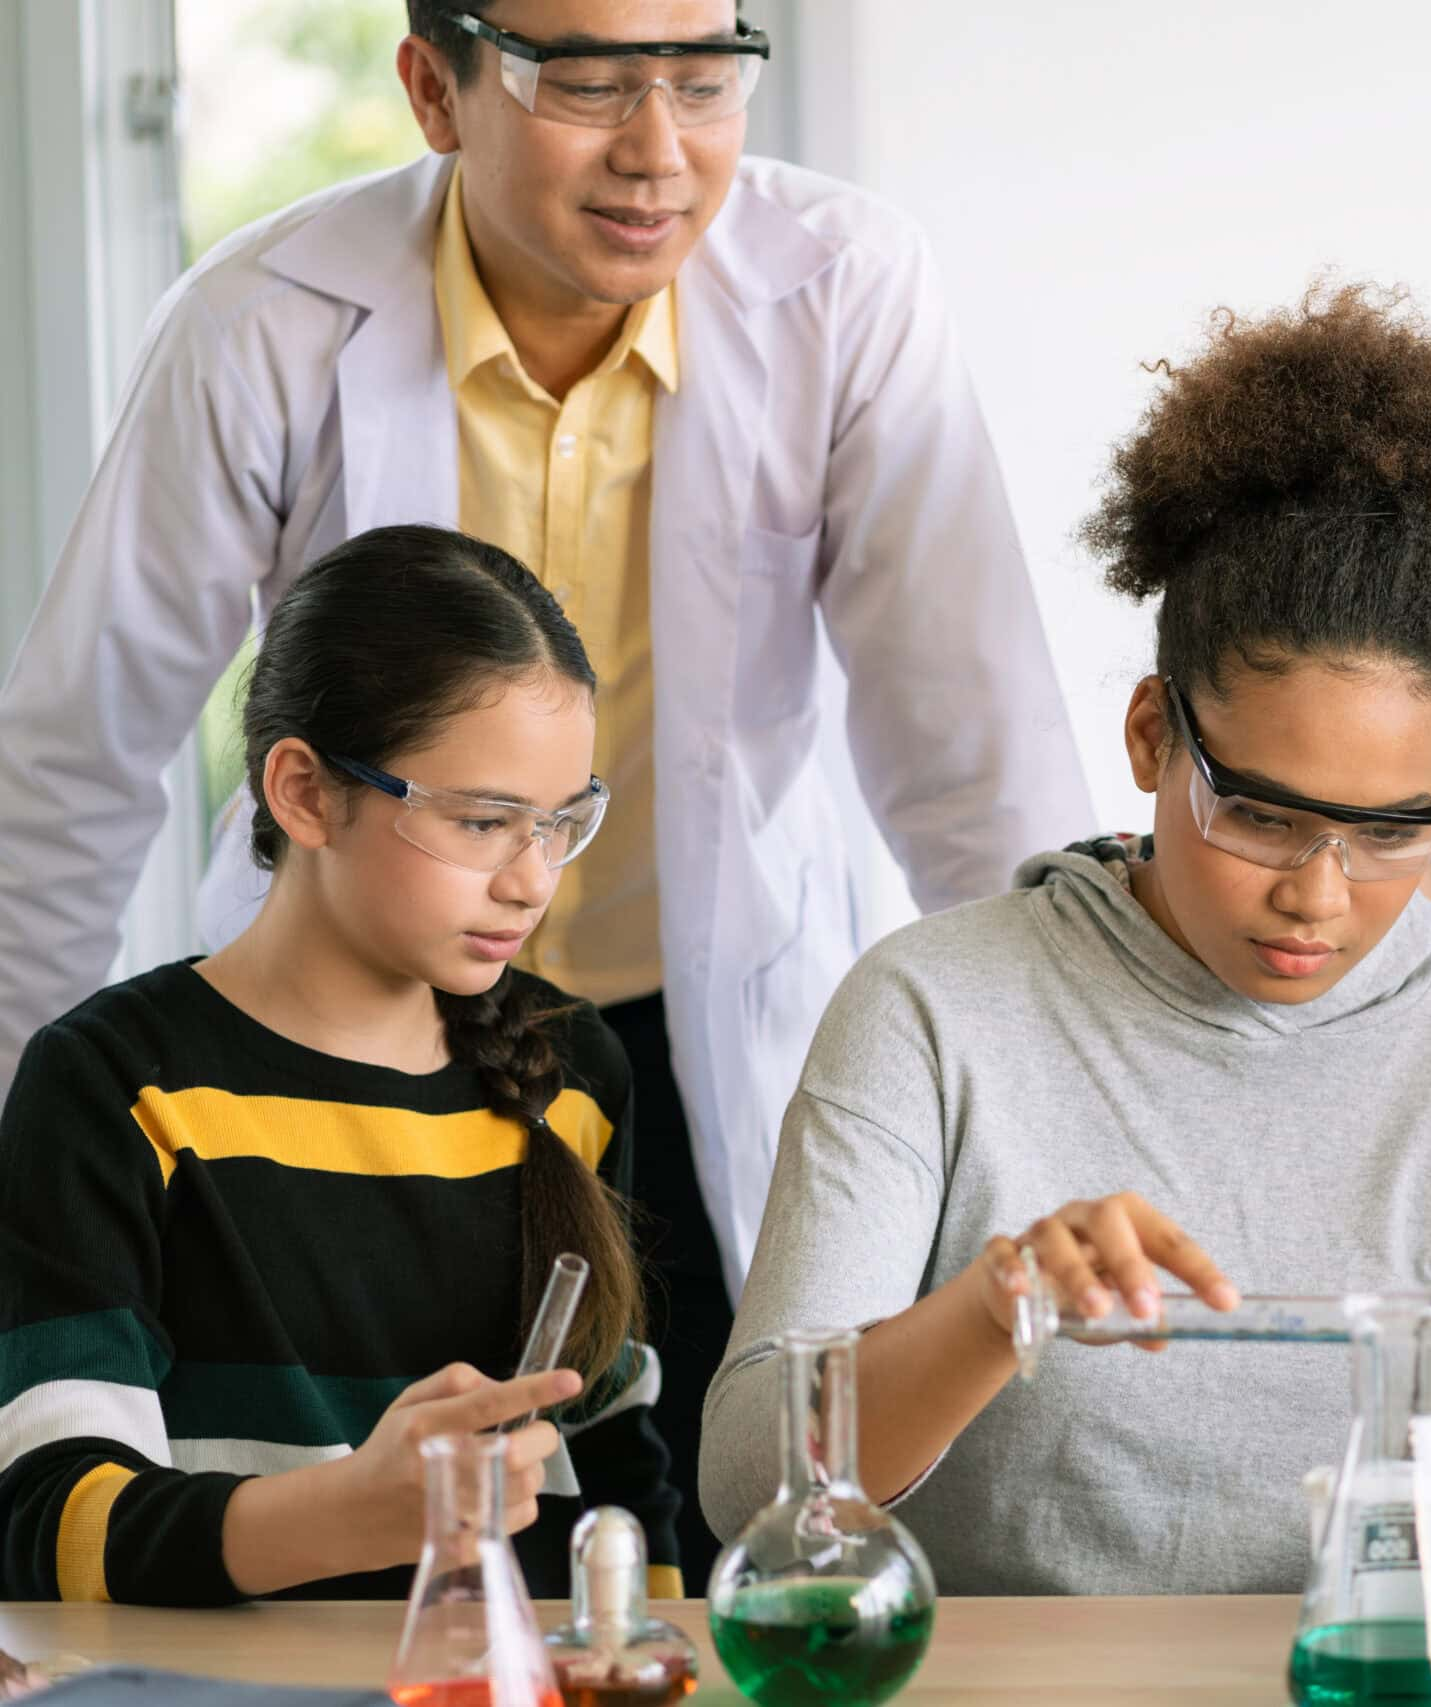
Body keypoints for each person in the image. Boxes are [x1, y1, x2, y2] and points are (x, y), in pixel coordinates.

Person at [0, 0, 1089, 1584]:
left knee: (684, 1522)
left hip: (648, 1051)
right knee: (294, 1480)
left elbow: (974, 762)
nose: (659, 148)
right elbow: (76, 761)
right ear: (435, 86)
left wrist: (1058, 1146)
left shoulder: (842, 288)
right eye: (587, 81)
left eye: (707, 78)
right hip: (348, 1037)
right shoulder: (264, 319)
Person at [700, 288, 1431, 1595]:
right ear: (1148, 734)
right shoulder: (936, 1009)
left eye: (1390, 828)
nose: (1321, 891)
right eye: (1259, 813)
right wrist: (993, 1306)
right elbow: (747, 1481)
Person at [0, 526, 682, 1604]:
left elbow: (621, 1480)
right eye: (485, 821)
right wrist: (351, 1513)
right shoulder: (113, 1088)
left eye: (563, 822)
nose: (533, 879)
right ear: (306, 793)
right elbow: (45, 1522)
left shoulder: (576, 1076)